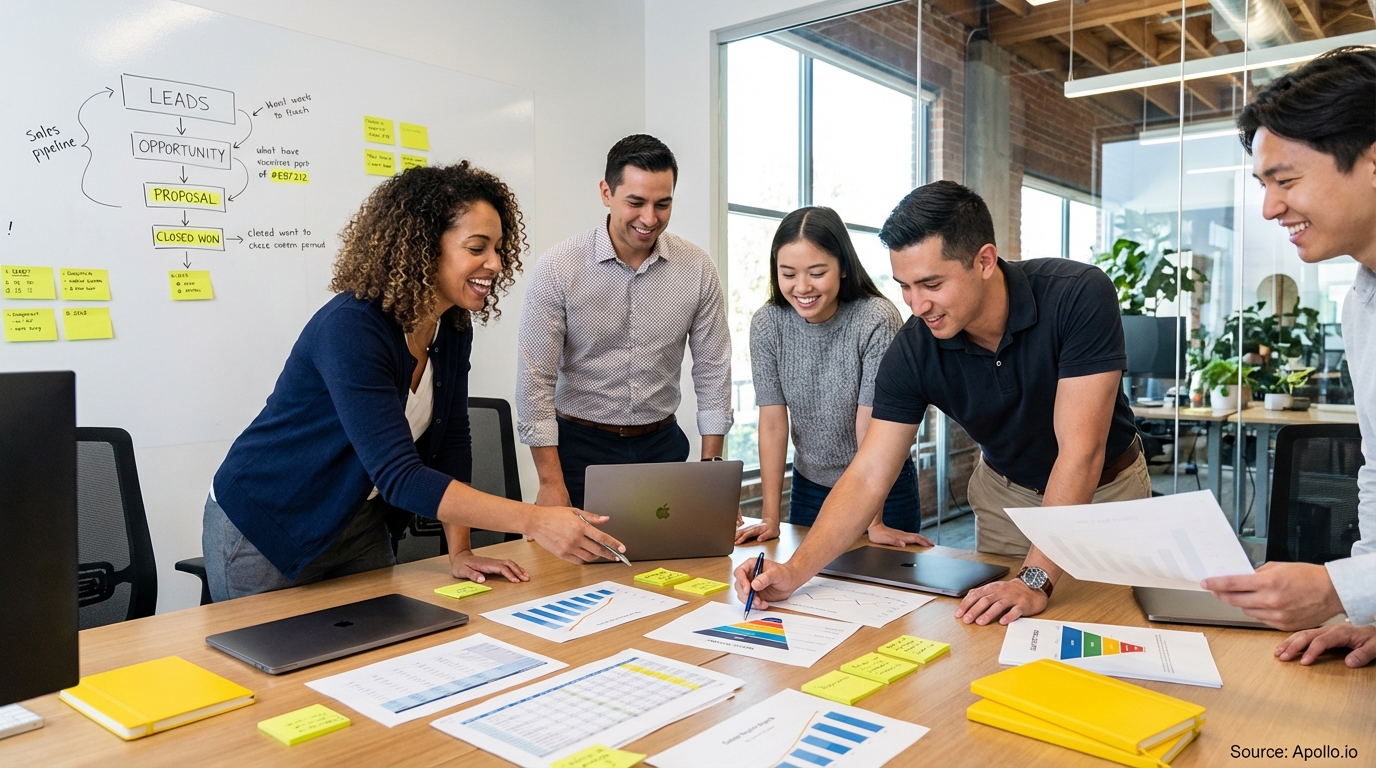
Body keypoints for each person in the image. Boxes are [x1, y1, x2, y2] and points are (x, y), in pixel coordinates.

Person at [733, 181, 1150, 625]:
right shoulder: (915, 348)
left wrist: (1034, 579)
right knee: (1007, 633)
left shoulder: (1077, 295)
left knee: (1117, 627)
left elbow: (1081, 452)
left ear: (984, 261)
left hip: (1106, 496)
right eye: (905, 286)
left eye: (931, 284)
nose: (917, 305)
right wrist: (793, 572)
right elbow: (869, 473)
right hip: (1006, 499)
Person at [205, 162, 625, 601]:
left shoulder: (453, 326)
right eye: (477, 247)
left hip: (356, 523)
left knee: (379, 641)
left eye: (499, 248)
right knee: (269, 647)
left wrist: (460, 551)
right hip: (267, 524)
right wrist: (536, 520)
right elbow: (400, 475)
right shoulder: (351, 328)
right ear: (424, 248)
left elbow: (452, 443)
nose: (496, 263)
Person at [1201, 47, 1376, 668]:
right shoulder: (1361, 305)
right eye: (1264, 185)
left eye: (1286, 181)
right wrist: (1370, 609)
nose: (1270, 208)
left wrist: (1341, 589)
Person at [516, 134, 732, 510]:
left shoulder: (697, 268)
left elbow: (713, 371)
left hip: (662, 448)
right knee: (580, 551)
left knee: (676, 548)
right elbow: (535, 381)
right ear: (606, 192)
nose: (649, 218)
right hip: (579, 451)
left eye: (662, 204)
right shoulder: (559, 267)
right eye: (636, 202)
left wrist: (712, 470)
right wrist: (550, 482)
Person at [735, 206, 932, 548]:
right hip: (810, 487)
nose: (802, 287)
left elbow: (871, 424)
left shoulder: (875, 318)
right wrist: (770, 518)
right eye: (788, 274)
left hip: (883, 489)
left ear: (842, 267)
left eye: (816, 273)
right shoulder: (768, 323)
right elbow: (773, 423)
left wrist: (874, 521)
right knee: (804, 579)